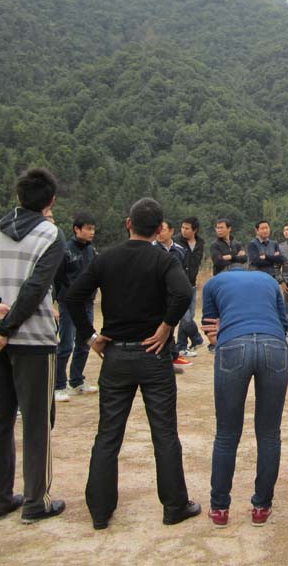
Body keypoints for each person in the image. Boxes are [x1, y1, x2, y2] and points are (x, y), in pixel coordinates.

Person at [65, 198, 200, 530]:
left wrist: (90, 337)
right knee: (164, 433)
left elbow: (72, 296)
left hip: (116, 355)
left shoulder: (105, 258)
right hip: (154, 355)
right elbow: (183, 293)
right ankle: (174, 506)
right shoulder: (163, 259)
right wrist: (166, 326)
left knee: (108, 434)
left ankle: (99, 511)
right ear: (159, 229)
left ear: (128, 223)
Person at [0, 168, 67, 523]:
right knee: (37, 423)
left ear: (18, 196)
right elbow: (36, 288)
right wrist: (8, 327)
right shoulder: (50, 235)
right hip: (34, 340)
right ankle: (36, 502)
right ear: (51, 200)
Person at [201, 268, 288, 528]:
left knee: (226, 434)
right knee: (269, 433)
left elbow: (210, 327)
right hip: (273, 344)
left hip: (233, 345)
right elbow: (283, 323)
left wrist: (222, 333)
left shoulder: (212, 283)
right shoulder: (269, 281)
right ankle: (262, 506)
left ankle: (220, 508)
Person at [55, 212, 97, 403]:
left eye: (93, 229)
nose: (91, 232)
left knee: (85, 343)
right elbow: (58, 277)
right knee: (65, 345)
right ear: (76, 229)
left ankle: (77, 381)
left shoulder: (91, 251)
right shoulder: (65, 250)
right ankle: (58, 385)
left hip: (87, 303)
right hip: (69, 304)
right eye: (88, 229)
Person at [157, 220, 193, 368]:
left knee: (171, 325)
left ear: (171, 231)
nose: (159, 232)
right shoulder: (152, 249)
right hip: (158, 294)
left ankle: (172, 355)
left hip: (174, 294)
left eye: (163, 229)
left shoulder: (180, 250)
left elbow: (183, 272)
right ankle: (169, 356)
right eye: (158, 229)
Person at [173, 216, 206, 357]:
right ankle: (197, 339)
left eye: (187, 228)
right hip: (179, 285)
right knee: (185, 317)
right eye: (182, 227)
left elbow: (196, 263)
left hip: (192, 284)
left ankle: (181, 346)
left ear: (195, 230)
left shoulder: (200, 243)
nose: (183, 230)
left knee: (190, 316)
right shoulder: (176, 241)